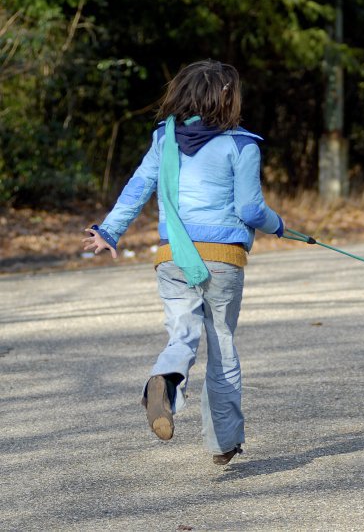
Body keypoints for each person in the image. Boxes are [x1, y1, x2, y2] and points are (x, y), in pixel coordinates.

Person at [82, 60, 284, 465]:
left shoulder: (165, 139)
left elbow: (139, 186)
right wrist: (278, 225)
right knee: (222, 345)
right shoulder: (242, 144)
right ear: (228, 98)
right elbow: (249, 208)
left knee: (182, 335)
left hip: (172, 257)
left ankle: (166, 381)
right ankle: (223, 442)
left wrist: (108, 231)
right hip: (223, 260)